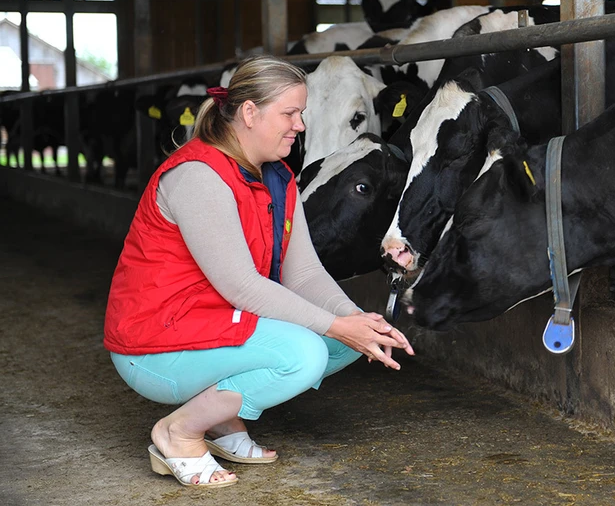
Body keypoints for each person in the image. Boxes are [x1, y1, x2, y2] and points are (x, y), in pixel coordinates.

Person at [103, 56, 414, 488]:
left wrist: (353, 320)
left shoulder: (278, 176)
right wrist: (337, 324)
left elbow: (303, 272)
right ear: (249, 113)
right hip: (156, 339)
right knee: (305, 354)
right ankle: (179, 431)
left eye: (300, 114)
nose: (300, 125)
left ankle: (221, 420)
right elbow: (242, 286)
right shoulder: (199, 175)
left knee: (346, 339)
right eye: (290, 113)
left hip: (215, 323)